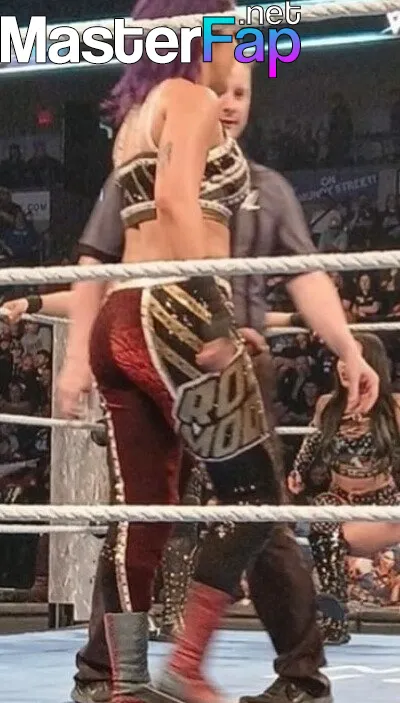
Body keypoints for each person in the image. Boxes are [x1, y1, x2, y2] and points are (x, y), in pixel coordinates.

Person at [5, 51, 377, 703]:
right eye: (220, 87)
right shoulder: (157, 157)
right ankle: (120, 672)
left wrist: (347, 344)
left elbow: (306, 274)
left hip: (219, 351)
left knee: (237, 520)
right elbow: (99, 262)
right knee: (166, 511)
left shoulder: (260, 184)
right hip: (182, 335)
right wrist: (75, 349)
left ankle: (282, 675)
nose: (228, 102)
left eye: (241, 92)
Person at [288, 333, 400, 644]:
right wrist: (297, 472)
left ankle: (335, 618)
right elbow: (311, 444)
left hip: (382, 506)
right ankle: (335, 619)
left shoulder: (393, 407)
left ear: (371, 364)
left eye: (351, 358)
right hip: (339, 502)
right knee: (321, 518)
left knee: (330, 531)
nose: (342, 365)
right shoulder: (328, 405)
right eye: (341, 357)